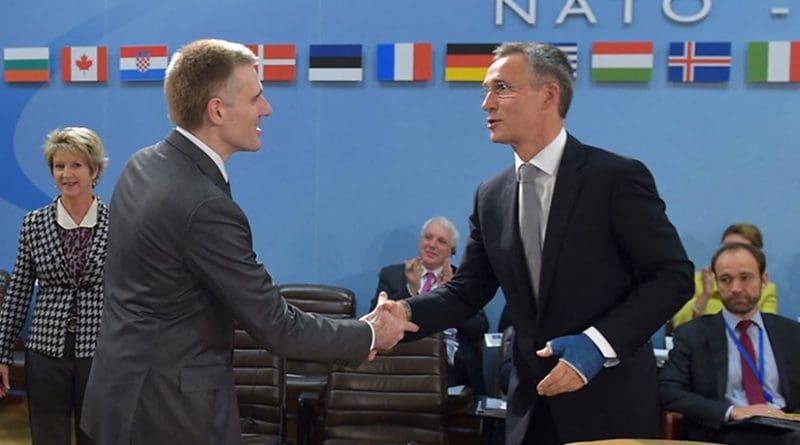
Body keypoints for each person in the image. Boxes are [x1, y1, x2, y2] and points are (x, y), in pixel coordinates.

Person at [80, 39, 416, 445]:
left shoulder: (143, 164)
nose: (267, 108)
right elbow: (276, 326)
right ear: (217, 110)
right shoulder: (202, 204)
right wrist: (369, 333)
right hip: (172, 417)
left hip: (117, 400)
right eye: (256, 97)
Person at [377, 42, 693, 444]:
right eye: (485, 91)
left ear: (549, 95)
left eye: (502, 88)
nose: (486, 104)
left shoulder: (615, 178)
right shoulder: (491, 195)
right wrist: (403, 311)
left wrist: (597, 345)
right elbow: (467, 290)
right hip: (529, 407)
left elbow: (673, 276)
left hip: (608, 406)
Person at [0, 127, 109, 445]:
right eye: (59, 166)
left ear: (94, 171)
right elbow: (19, 291)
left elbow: (130, 293)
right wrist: (2, 354)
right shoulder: (34, 224)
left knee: (99, 436)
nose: (67, 174)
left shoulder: (118, 223)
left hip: (100, 353)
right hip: (46, 354)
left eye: (76, 165)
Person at [659, 243, 800, 444]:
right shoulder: (693, 335)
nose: (735, 288)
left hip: (784, 422)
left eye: (745, 277)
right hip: (727, 429)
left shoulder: (791, 333)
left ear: (764, 280)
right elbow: (668, 391)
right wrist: (732, 411)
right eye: (725, 280)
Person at [372, 216, 489, 394]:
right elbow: (375, 321)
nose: (432, 245)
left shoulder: (462, 279)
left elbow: (479, 327)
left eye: (441, 241)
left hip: (450, 365)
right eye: (428, 237)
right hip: (401, 359)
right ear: (420, 242)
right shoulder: (393, 275)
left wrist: (452, 298)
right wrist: (410, 291)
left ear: (452, 251)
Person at [672, 223, 778, 328]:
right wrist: (705, 295)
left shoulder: (766, 288)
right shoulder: (698, 281)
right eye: (727, 248)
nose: (735, 288)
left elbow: (770, 329)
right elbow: (680, 325)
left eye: (740, 249)